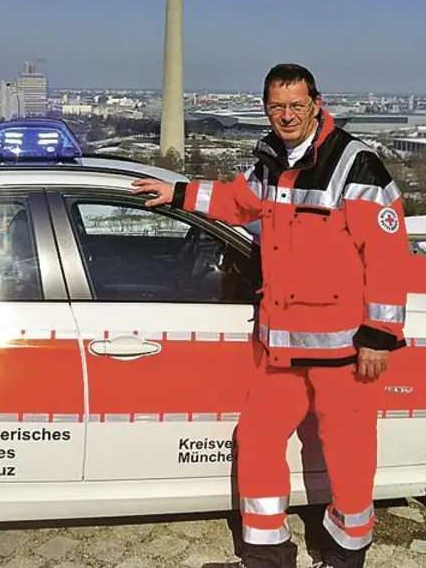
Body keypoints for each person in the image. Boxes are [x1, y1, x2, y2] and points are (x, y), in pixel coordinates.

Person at [132, 64, 408, 568]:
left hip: (341, 349)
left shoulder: (356, 164)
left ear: (316, 104)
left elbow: (387, 254)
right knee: (257, 439)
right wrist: (179, 194)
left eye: (296, 106)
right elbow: (240, 202)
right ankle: (266, 552)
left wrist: (380, 335)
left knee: (348, 456)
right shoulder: (270, 160)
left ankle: (346, 553)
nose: (286, 115)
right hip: (279, 347)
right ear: (266, 107)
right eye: (277, 106)